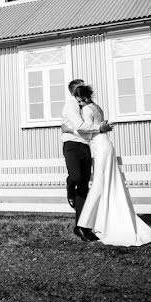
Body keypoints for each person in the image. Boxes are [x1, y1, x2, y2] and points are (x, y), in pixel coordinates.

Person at [74, 85, 151, 247]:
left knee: (99, 183)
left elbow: (86, 130)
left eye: (81, 100)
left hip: (100, 145)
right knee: (106, 182)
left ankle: (84, 224)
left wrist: (79, 131)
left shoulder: (86, 110)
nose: (81, 103)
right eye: (79, 101)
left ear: (85, 97)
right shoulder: (97, 107)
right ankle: (98, 221)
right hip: (106, 144)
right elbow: (99, 126)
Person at [60, 78, 111, 242]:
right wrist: (98, 128)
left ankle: (81, 227)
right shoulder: (71, 105)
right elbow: (81, 126)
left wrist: (94, 130)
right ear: (73, 91)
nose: (81, 93)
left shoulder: (87, 106)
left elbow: (86, 131)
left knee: (83, 186)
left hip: (86, 146)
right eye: (78, 90)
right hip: (72, 145)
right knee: (76, 178)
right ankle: (69, 186)